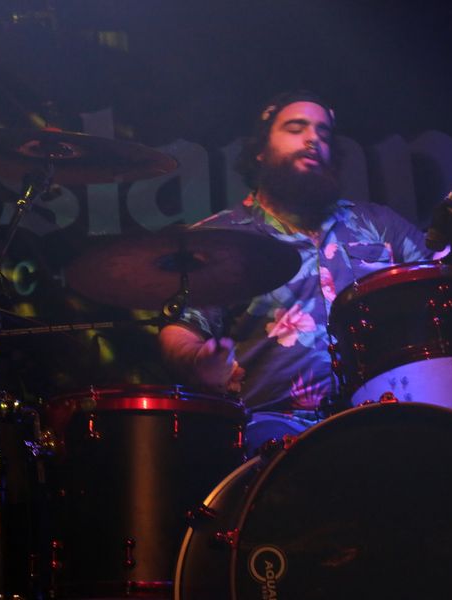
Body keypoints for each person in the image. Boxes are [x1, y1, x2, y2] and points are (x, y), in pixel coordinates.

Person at [158, 90, 430, 447]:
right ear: (260, 150)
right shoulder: (221, 238)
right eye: (296, 128)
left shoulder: (378, 224)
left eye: (323, 133)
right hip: (272, 430)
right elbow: (180, 331)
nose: (313, 139)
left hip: (383, 417)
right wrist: (198, 361)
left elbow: (448, 272)